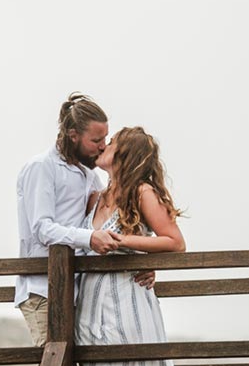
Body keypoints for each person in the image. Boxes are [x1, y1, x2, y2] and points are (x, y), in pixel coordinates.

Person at [75, 126, 200, 366]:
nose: (105, 145)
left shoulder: (142, 191)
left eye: (111, 142)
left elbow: (175, 242)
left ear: (125, 152)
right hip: (92, 304)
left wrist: (122, 242)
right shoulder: (96, 197)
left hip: (128, 300)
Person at [14, 93, 153, 347]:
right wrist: (89, 239)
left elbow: (111, 218)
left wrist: (144, 260)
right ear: (72, 134)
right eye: (96, 140)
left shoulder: (88, 175)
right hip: (42, 289)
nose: (102, 146)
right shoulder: (42, 167)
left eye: (105, 140)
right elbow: (42, 230)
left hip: (75, 289)